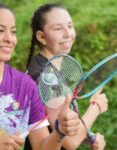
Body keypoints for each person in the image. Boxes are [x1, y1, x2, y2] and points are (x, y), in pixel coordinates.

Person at [0, 1, 81, 150]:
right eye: (0, 30)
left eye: (13, 31)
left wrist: (59, 132)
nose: (10, 38)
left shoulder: (26, 85)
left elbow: (41, 147)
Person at [26, 3, 108, 150]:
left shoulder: (50, 67)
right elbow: (70, 141)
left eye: (70, 26)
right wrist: (96, 107)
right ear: (41, 36)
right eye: (58, 28)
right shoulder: (44, 77)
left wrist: (88, 137)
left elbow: (62, 128)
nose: (67, 34)